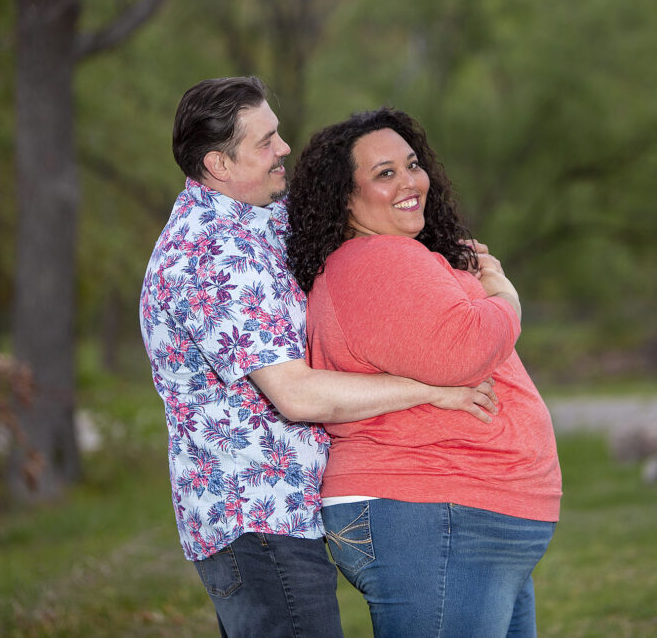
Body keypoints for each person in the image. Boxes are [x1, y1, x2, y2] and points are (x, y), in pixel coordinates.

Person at [139, 78, 499, 638]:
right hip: (257, 521)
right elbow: (297, 394)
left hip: (281, 517)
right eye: (265, 142)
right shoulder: (210, 253)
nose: (284, 148)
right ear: (218, 163)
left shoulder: (255, 221)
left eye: (277, 133)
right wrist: (430, 389)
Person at [285, 107, 563, 637]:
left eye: (411, 165)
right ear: (346, 196)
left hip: (459, 515)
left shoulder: (391, 257)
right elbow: (469, 347)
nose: (410, 182)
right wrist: (505, 291)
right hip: (433, 510)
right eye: (384, 173)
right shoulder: (377, 259)